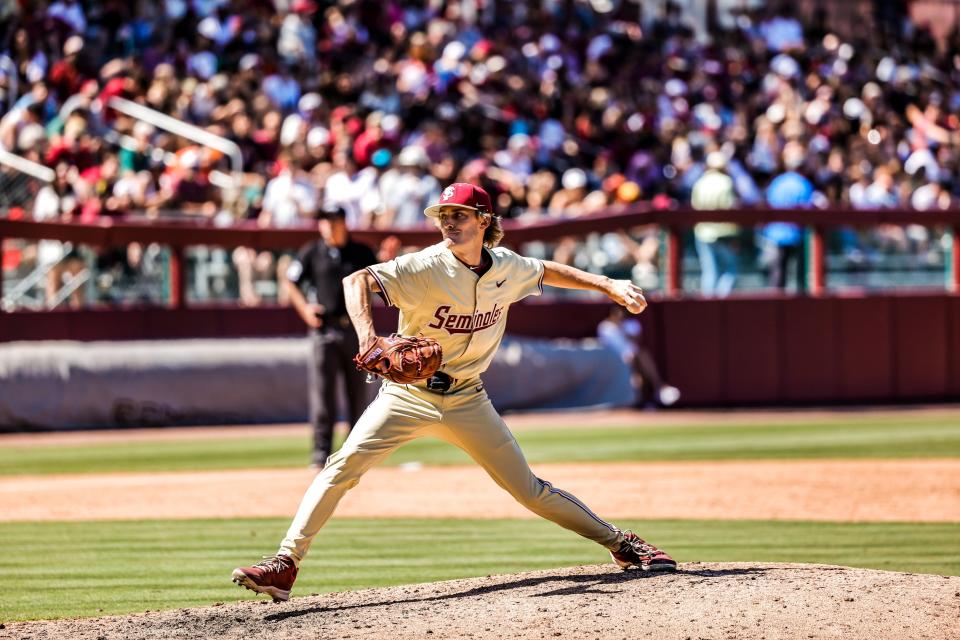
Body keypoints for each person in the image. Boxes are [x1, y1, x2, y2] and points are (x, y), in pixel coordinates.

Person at [232, 183, 677, 602]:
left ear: (484, 219)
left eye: (459, 214)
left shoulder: (506, 266)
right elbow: (355, 282)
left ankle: (621, 543)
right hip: (406, 397)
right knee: (341, 466)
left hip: (467, 397)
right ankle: (286, 563)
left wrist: (609, 285)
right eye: (443, 214)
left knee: (529, 490)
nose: (448, 222)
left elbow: (547, 271)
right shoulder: (424, 265)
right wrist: (368, 337)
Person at [284, 206, 378, 468]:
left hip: (355, 331)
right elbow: (291, 281)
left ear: (344, 223)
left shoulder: (361, 252)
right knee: (322, 397)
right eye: (324, 221)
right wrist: (304, 310)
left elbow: (381, 280)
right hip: (323, 330)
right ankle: (320, 455)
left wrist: (388, 260)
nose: (327, 226)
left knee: (357, 394)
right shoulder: (312, 252)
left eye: (333, 221)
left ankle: (355, 452)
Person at [597, 306, 680, 408]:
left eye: (621, 313)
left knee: (642, 359)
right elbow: (606, 346)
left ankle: (652, 393)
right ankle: (657, 387)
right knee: (638, 367)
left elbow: (635, 341)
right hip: (614, 360)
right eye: (616, 313)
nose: (619, 316)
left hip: (634, 359)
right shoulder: (605, 327)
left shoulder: (631, 325)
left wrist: (621, 329)